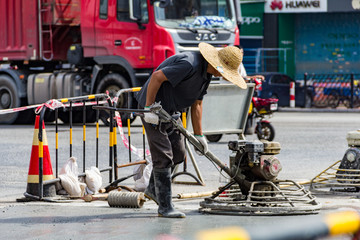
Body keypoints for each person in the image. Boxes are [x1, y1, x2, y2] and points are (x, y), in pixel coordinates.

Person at [135, 42, 246, 218]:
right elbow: (156, 77)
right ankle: (165, 207)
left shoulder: (207, 74)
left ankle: (153, 190)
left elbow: (198, 104)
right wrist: (149, 108)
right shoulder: (189, 64)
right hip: (154, 108)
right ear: (218, 65)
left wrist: (199, 135)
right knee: (163, 156)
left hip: (171, 111)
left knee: (178, 153)